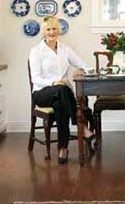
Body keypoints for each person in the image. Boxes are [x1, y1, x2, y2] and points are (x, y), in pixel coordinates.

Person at [29, 16, 94, 164]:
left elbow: (84, 65)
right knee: (62, 89)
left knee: (60, 105)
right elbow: (35, 78)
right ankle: (80, 125)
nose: (51, 32)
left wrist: (80, 69)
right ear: (43, 32)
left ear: (58, 30)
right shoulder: (36, 51)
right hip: (42, 93)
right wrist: (54, 82)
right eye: (48, 29)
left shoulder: (65, 49)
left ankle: (62, 148)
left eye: (54, 29)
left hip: (62, 95)